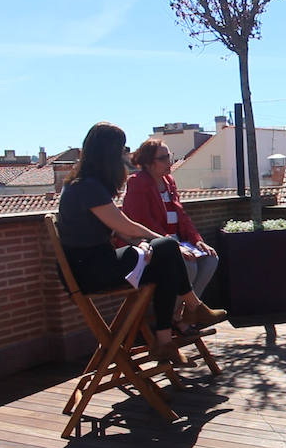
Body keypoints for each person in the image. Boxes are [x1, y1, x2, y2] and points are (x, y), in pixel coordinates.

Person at [56, 122, 227, 365]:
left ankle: (165, 340)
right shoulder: (87, 187)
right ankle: (192, 308)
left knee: (165, 263)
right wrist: (156, 241)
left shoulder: (85, 185)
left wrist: (141, 244)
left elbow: (120, 229)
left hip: (94, 264)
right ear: (109, 152)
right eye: (122, 149)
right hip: (91, 270)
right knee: (167, 249)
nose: (125, 154)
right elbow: (126, 225)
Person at [122, 139, 219, 304]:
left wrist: (197, 240)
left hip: (176, 243)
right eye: (163, 158)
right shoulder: (137, 182)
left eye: (169, 156)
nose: (169, 162)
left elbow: (181, 215)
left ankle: (186, 313)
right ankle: (176, 318)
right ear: (148, 163)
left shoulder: (169, 181)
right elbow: (145, 222)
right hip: (153, 246)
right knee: (189, 266)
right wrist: (175, 246)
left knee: (210, 259)